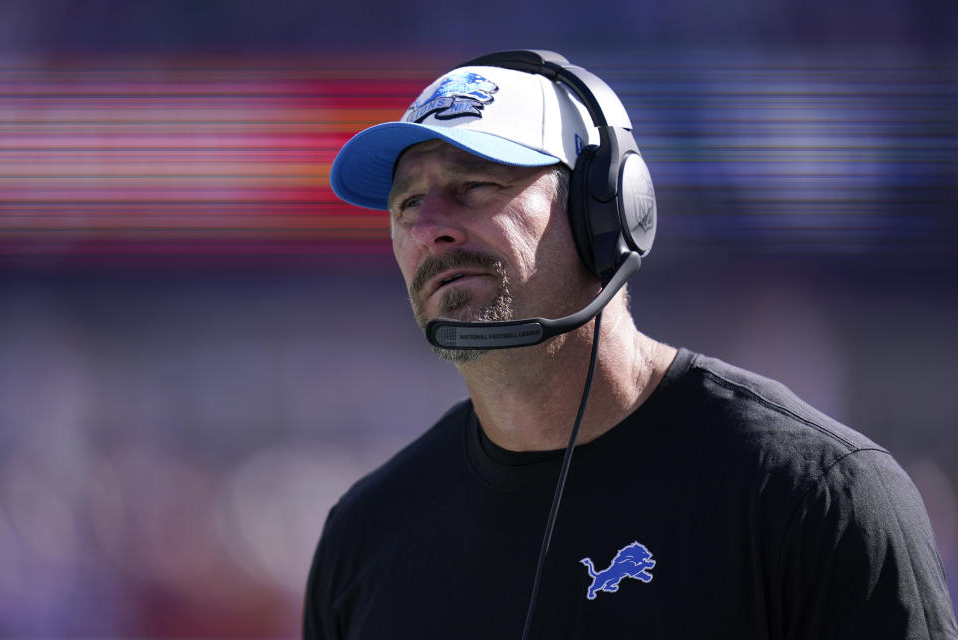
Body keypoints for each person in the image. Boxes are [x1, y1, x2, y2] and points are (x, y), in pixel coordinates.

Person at [303, 50, 958, 639]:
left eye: (477, 185)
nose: (432, 227)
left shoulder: (815, 497)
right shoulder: (365, 538)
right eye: (407, 203)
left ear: (608, 209)